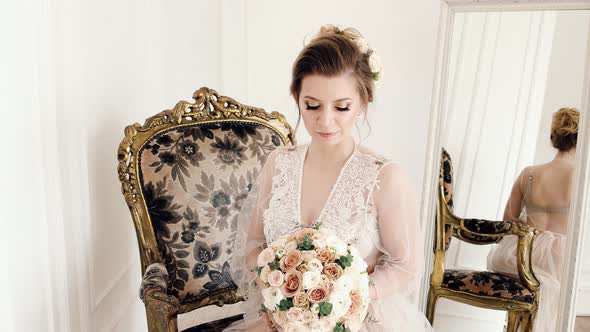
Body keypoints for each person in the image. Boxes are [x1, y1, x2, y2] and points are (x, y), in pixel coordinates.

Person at [223, 25, 433, 331]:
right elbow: (255, 245)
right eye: (312, 105)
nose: (324, 120)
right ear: (296, 96)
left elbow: (405, 267)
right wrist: (280, 296)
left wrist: (340, 301)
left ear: (363, 102)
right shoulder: (279, 163)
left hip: (357, 323)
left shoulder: (385, 177)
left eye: (342, 107)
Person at [487, 107, 579, 332]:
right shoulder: (580, 176)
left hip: (518, 256)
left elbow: (508, 221)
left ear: (553, 137)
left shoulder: (529, 173)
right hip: (557, 260)